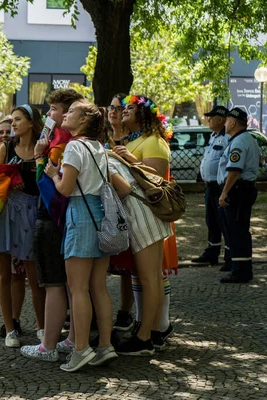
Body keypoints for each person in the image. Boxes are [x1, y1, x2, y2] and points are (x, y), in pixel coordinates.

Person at [45, 99, 117, 372]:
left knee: (77, 288)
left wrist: (53, 174)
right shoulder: (99, 147)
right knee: (98, 287)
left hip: (81, 215)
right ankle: (105, 346)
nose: (66, 114)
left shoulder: (75, 146)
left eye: (72, 111)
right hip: (100, 214)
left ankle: (81, 349)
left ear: (84, 120)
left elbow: (65, 188)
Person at [20, 88, 83, 362]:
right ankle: (73, 338)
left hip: (53, 218)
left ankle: (48, 345)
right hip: (71, 219)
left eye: (54, 109)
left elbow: (50, 190)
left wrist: (38, 157)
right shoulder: (76, 141)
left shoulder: (60, 145)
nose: (49, 114)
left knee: (54, 283)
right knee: (73, 285)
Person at [112, 95, 173, 356]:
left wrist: (129, 160)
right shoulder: (136, 139)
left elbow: (156, 178)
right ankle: (153, 332)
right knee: (149, 278)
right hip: (137, 214)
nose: (124, 111)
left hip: (146, 213)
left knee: (150, 278)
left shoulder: (154, 142)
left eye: (130, 107)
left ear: (145, 114)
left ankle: (145, 337)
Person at [0, 104, 46, 348]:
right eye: (12, 120)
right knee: (4, 273)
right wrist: (9, 184)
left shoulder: (42, 147)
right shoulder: (6, 147)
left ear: (31, 123)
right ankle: (10, 328)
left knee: (35, 277)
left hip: (33, 212)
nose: (13, 124)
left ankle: (42, 327)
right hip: (7, 212)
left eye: (18, 119)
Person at [0, 117, 29, 339]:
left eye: (7, 132)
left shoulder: (20, 151)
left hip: (20, 219)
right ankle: (7, 323)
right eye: (0, 132)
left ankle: (16, 318)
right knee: (4, 274)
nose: (4, 135)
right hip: (0, 219)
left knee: (18, 274)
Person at [217, 107, 260, 283]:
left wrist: (224, 192)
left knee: (237, 231)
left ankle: (241, 272)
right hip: (242, 189)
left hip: (238, 190)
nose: (225, 124)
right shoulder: (245, 139)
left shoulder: (240, 141)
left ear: (233, 122)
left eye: (226, 120)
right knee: (238, 229)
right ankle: (240, 268)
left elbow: (235, 170)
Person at [106, 93, 136, 332]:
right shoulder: (102, 137)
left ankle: (125, 311)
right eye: (111, 108)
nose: (113, 112)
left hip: (129, 204)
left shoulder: (133, 140)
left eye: (119, 108)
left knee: (128, 264)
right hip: (105, 203)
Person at [191, 105, 231, 270]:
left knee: (225, 222)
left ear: (221, 120)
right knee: (212, 221)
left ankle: (230, 256)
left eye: (211, 117)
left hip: (220, 186)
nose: (208, 119)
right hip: (210, 187)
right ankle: (212, 252)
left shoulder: (228, 138)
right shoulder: (214, 136)